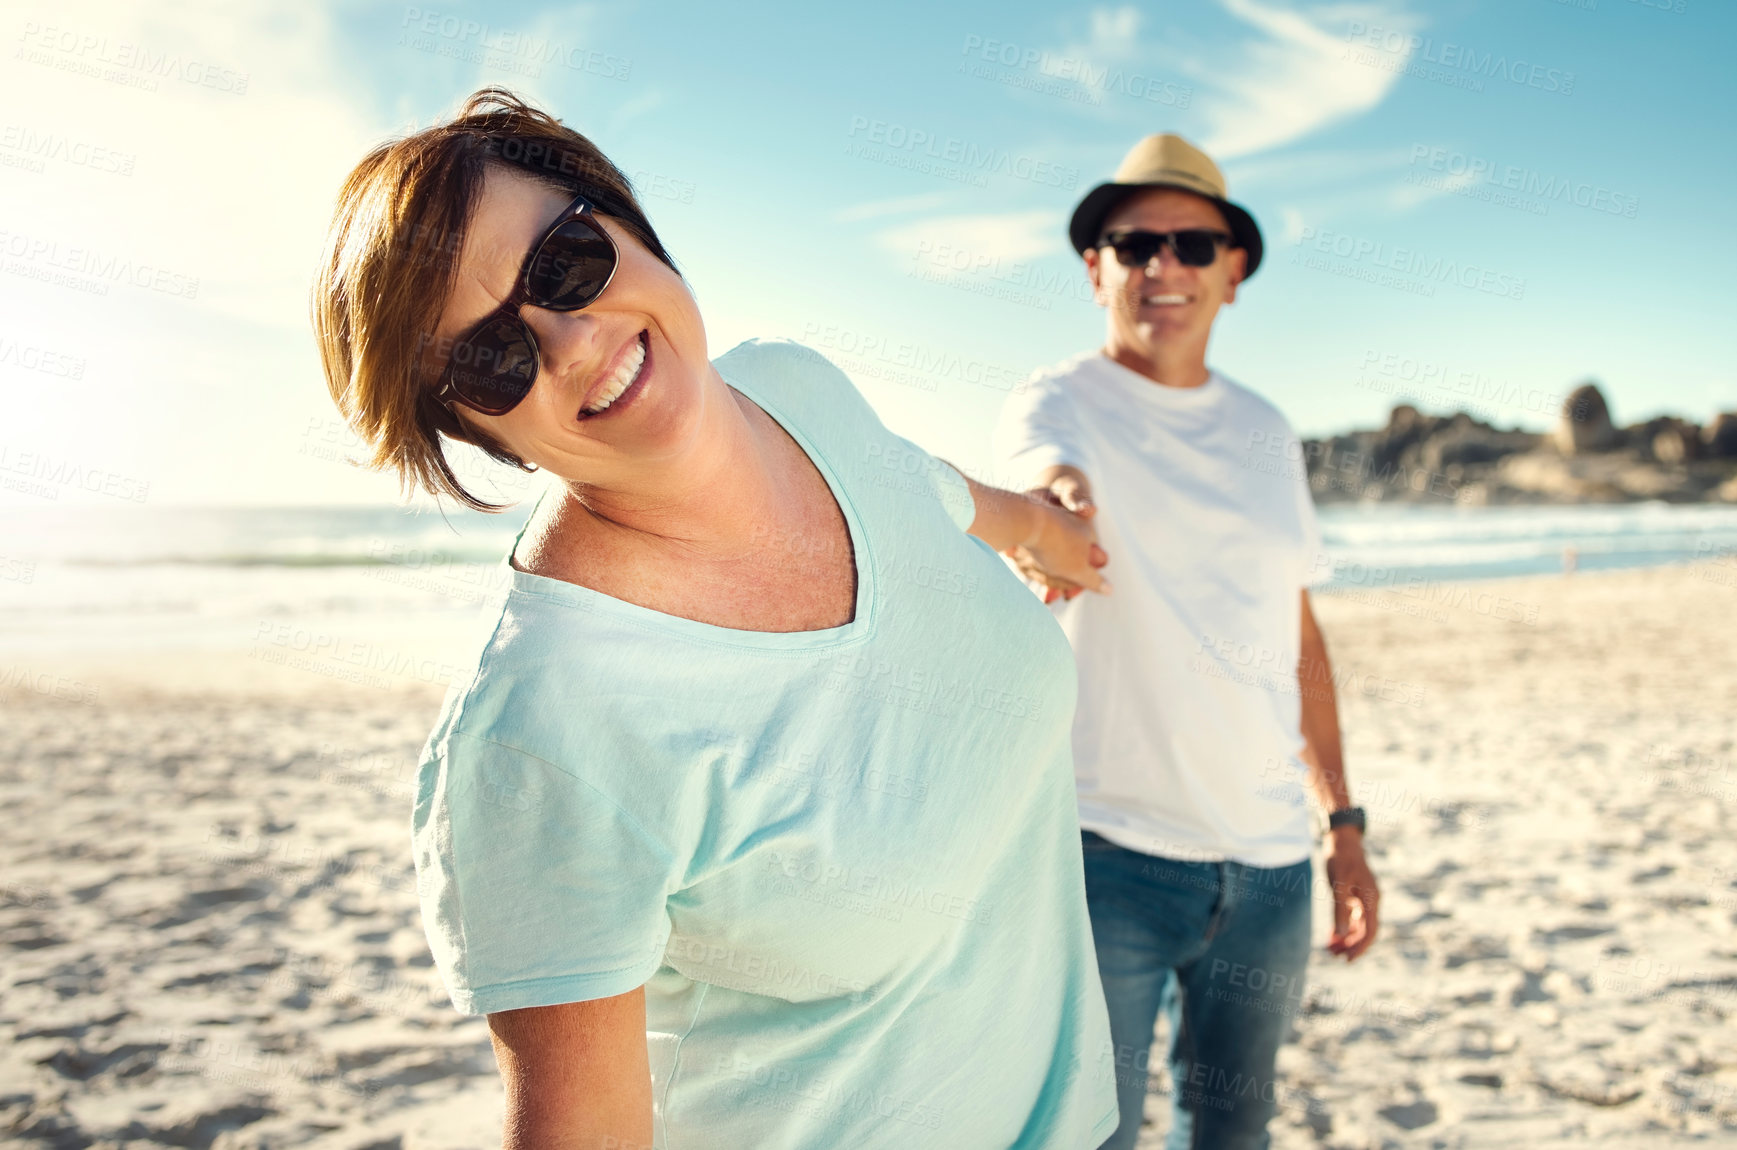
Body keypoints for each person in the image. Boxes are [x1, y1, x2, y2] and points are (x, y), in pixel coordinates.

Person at [312, 88, 1119, 1149]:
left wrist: (1054, 536)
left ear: (623, 219)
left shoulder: (793, 388)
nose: (568, 343)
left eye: (563, 265)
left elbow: (932, 493)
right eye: (490, 359)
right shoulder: (540, 736)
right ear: (474, 432)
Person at [994, 134, 1381, 1150]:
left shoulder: (1266, 428)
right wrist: (1055, 515)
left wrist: (1341, 822)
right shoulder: (1059, 400)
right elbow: (1047, 485)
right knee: (1089, 1134)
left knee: (1233, 1133)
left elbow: (1296, 640)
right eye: (1135, 243)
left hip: (1267, 873)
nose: (1164, 266)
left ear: (1234, 271)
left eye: (1194, 244)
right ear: (1096, 266)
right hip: (1106, 858)